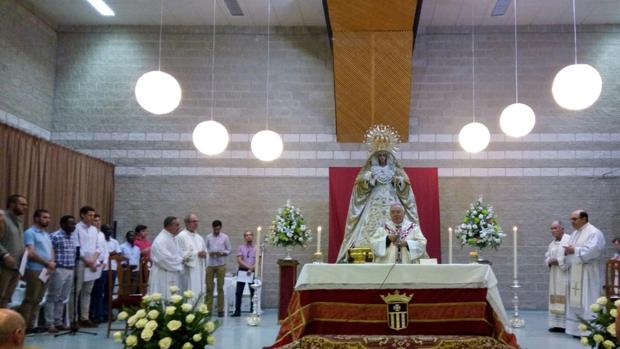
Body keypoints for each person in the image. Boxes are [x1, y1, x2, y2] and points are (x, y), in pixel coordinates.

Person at [336, 138, 423, 263]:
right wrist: (367, 179)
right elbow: (360, 185)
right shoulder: (371, 170)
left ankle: (395, 255)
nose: (382, 157)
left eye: (384, 155)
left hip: (391, 199)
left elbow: (405, 185)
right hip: (374, 201)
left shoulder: (395, 169)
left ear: (388, 156)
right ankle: (364, 256)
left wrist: (399, 181)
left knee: (396, 219)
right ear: (376, 157)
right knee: (369, 228)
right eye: (380, 155)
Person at [564, 210, 605, 337]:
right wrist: (567, 252)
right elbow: (569, 248)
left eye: (574, 219)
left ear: (584, 219)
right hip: (576, 271)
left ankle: (590, 330)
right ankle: (576, 329)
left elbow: (593, 250)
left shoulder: (594, 232)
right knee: (577, 301)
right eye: (571, 219)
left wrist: (574, 250)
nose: (572, 222)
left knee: (588, 299)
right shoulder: (575, 233)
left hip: (588, 273)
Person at [18, 209, 54, 333]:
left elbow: (50, 250)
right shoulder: (30, 232)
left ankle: (31, 325)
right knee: (30, 299)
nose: (47, 220)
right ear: (36, 218)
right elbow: (31, 253)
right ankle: (23, 326)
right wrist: (46, 263)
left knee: (38, 299)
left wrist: (52, 263)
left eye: (48, 217)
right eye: (44, 217)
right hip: (35, 269)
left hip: (46, 270)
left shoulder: (46, 234)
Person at [44, 215, 77, 333]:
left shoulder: (72, 237)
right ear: (63, 224)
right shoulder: (55, 236)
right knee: (53, 296)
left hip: (70, 269)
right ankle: (49, 323)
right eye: (71, 224)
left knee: (63, 298)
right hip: (58, 269)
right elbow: (49, 253)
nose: (73, 226)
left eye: (74, 224)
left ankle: (58, 322)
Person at [72, 206, 101, 328]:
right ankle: (73, 318)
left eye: (93, 216)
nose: (92, 218)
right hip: (81, 262)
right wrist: (88, 261)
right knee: (76, 291)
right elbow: (77, 247)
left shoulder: (94, 230)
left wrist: (93, 260)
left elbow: (98, 247)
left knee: (87, 292)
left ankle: (85, 317)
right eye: (89, 215)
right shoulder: (76, 228)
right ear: (82, 215)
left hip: (92, 263)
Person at [0, 195, 28, 308]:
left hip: (16, 266)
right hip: (4, 265)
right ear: (12, 204)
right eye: (22, 204)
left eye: (26, 205)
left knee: (7, 297)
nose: (25, 207)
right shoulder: (2, 218)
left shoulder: (18, 221)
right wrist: (5, 255)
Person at [544, 220, 571, 332]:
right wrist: (549, 261)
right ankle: (556, 324)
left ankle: (565, 325)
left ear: (562, 229)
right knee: (554, 298)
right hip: (554, 276)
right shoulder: (552, 243)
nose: (552, 230)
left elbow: (571, 257)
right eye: (551, 228)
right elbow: (546, 256)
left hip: (564, 275)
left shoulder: (569, 240)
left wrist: (559, 261)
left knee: (565, 297)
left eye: (555, 228)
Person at [90, 224, 119, 323]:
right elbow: (100, 252)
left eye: (110, 229)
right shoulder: (99, 239)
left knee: (109, 292)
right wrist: (111, 253)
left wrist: (111, 254)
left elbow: (117, 254)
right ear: (102, 231)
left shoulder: (114, 241)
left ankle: (107, 313)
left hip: (113, 268)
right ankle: (99, 313)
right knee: (99, 292)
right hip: (101, 268)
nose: (109, 231)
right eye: (106, 229)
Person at [149, 217, 183, 299]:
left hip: (171, 273)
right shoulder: (160, 240)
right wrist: (180, 261)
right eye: (177, 225)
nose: (179, 228)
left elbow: (178, 253)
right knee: (163, 297)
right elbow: (164, 259)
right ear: (169, 226)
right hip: (162, 274)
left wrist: (180, 259)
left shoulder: (171, 238)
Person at [177, 214, 207, 301]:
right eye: (193, 221)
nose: (196, 223)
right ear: (186, 223)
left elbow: (205, 250)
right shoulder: (181, 236)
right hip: (188, 270)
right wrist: (196, 254)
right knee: (189, 291)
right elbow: (179, 253)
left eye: (197, 221)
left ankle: (199, 311)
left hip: (200, 269)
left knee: (199, 292)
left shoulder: (199, 237)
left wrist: (205, 254)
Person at [206, 220, 231, 317]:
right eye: (215, 229)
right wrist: (210, 253)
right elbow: (205, 249)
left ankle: (221, 310)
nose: (216, 230)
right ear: (212, 228)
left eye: (218, 229)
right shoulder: (208, 237)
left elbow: (229, 249)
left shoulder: (225, 237)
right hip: (210, 264)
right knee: (209, 288)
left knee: (220, 288)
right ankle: (208, 310)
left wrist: (223, 253)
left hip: (221, 264)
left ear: (220, 228)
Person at [232, 231, 256, 317]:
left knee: (253, 291)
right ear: (244, 237)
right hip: (242, 270)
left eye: (250, 235)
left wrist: (251, 268)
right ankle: (237, 311)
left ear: (253, 237)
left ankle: (253, 310)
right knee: (239, 292)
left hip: (252, 270)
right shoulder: (241, 247)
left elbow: (258, 261)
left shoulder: (256, 248)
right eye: (247, 235)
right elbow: (239, 260)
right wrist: (248, 268)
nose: (249, 237)